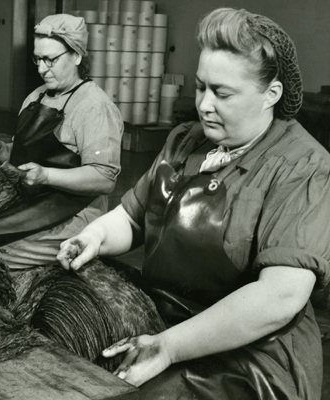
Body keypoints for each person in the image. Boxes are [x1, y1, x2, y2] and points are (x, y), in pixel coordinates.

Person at [57, 7, 330, 400]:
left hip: (250, 356)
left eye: (222, 93)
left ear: (271, 94)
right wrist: (96, 235)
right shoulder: (186, 141)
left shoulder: (302, 168)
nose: (203, 104)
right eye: (201, 87)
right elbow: (133, 218)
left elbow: (279, 298)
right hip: (162, 320)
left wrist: (168, 347)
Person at [0, 14, 123, 269]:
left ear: (76, 55)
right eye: (38, 59)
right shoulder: (35, 97)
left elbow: (104, 178)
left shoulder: (94, 106)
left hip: (75, 214)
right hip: (33, 205)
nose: (42, 69)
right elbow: (25, 155)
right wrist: (1, 151)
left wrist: (46, 176)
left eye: (50, 60)